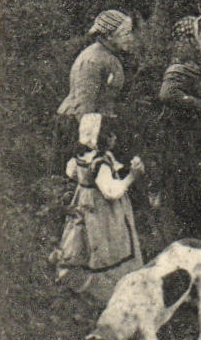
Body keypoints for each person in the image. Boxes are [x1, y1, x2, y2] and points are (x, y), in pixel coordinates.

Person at [49, 117, 145, 303]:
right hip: (103, 211)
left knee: (81, 238)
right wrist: (131, 176)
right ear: (99, 138)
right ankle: (107, 290)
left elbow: (71, 172)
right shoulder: (100, 163)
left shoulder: (82, 158)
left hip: (84, 202)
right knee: (106, 245)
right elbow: (111, 191)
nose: (114, 138)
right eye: (109, 135)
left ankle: (77, 273)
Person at [155, 15, 201, 241]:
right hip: (184, 136)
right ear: (190, 41)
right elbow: (168, 93)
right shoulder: (180, 68)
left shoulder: (200, 66)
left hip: (200, 134)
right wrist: (196, 104)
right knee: (189, 184)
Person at [54, 10, 138, 182]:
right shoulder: (92, 60)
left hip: (99, 124)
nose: (130, 38)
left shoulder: (109, 56)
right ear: (108, 36)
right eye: (125, 34)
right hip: (77, 126)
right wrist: (91, 141)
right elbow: (84, 106)